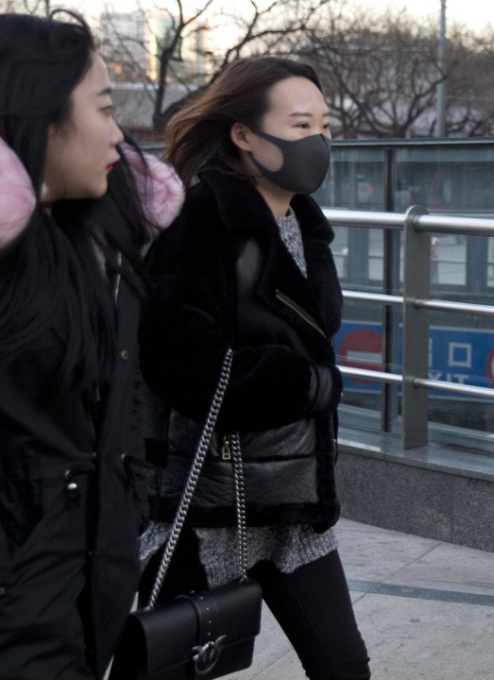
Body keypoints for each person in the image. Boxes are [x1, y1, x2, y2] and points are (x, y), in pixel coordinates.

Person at [125, 56, 370, 679]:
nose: (318, 140)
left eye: (325, 125)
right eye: (300, 124)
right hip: (212, 502)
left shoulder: (300, 221)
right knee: (170, 665)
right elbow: (179, 362)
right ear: (244, 134)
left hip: (293, 504)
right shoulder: (200, 219)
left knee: (344, 667)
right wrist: (308, 384)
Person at [0, 11, 184, 680]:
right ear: (38, 113)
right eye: (105, 109)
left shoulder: (101, 240)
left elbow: (122, 393)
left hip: (87, 586)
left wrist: (131, 492)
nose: (120, 135)